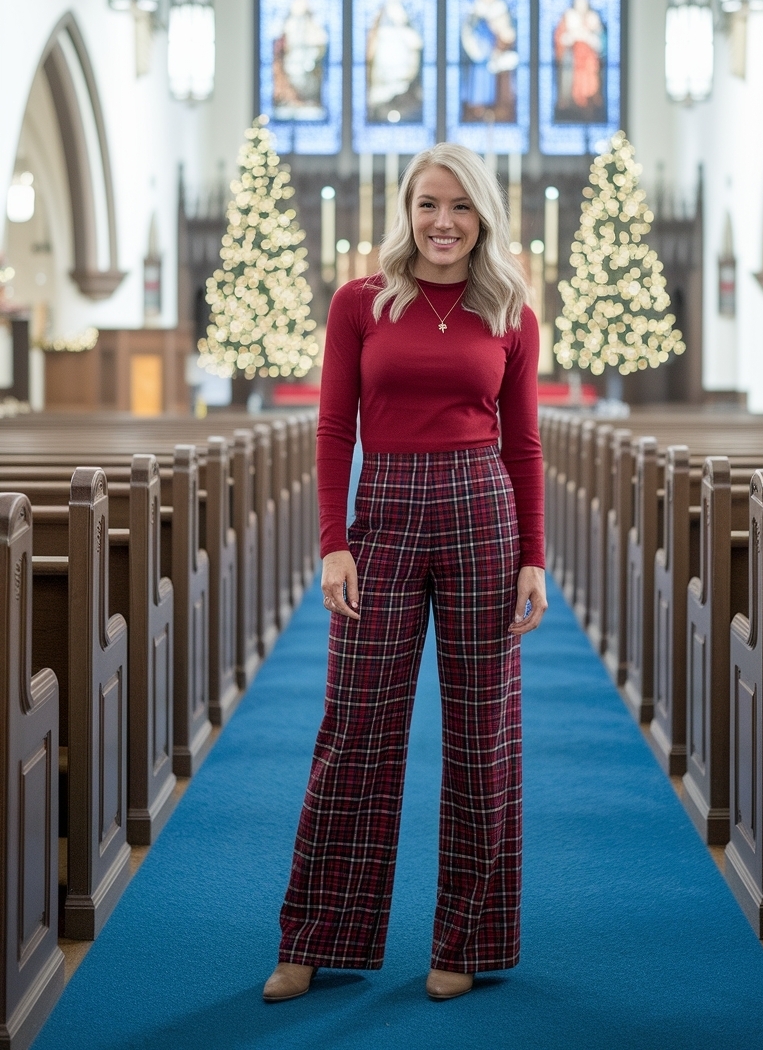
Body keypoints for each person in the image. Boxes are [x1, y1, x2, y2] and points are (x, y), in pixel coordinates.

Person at [263, 143, 547, 1004]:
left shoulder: (509, 311)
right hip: (381, 511)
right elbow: (332, 429)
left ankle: (465, 939)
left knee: (480, 735)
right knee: (354, 727)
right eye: (429, 204)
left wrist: (534, 555)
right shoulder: (361, 303)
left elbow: (524, 443)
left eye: (461, 207)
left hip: (479, 513)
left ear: (484, 217)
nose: (444, 222)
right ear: (406, 210)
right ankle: (316, 934)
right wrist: (332, 541)